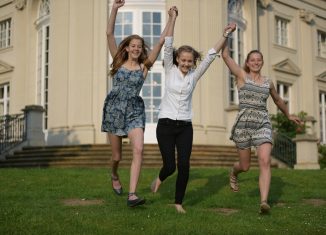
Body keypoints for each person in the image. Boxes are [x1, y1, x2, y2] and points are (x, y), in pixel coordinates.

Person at [150, 9, 237, 213]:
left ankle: (178, 203)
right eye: (183, 60)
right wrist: (173, 18)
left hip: (185, 127)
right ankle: (161, 177)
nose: (186, 63)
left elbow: (211, 55)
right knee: (170, 166)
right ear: (177, 59)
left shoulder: (194, 76)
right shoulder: (170, 70)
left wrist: (225, 35)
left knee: (185, 165)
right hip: (165, 125)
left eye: (190, 61)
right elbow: (169, 41)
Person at [102, 0, 176, 207]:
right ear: (126, 48)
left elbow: (161, 41)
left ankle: (132, 194)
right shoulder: (117, 62)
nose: (136, 48)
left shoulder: (145, 66)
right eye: (132, 46)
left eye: (139, 46)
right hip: (115, 109)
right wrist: (115, 9)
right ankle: (114, 175)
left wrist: (171, 18)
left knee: (139, 150)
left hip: (135, 109)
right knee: (116, 156)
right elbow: (109, 34)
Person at [221, 23, 301, 213]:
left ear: (262, 62)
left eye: (259, 60)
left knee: (264, 160)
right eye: (253, 60)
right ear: (248, 63)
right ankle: (234, 172)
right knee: (245, 166)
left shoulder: (267, 82)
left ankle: (264, 202)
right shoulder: (241, 76)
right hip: (244, 125)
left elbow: (278, 99)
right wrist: (226, 34)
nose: (256, 62)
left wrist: (289, 114)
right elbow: (225, 56)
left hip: (262, 124)